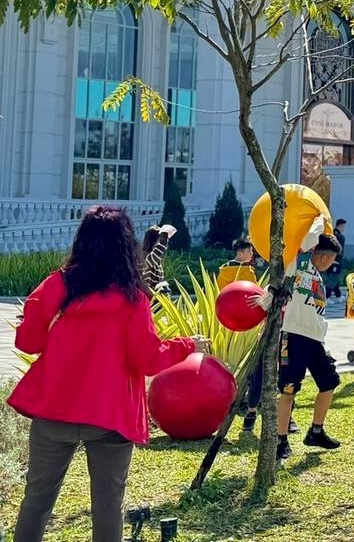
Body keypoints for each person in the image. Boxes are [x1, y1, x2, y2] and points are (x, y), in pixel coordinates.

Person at [8, 206, 206, 541]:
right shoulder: (132, 298)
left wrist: (35, 313)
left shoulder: (57, 285)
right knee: (108, 504)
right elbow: (147, 359)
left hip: (55, 408)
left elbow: (28, 342)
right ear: (126, 245)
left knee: (37, 502)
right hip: (110, 414)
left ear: (82, 240)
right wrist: (189, 345)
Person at [258, 221, 343, 460]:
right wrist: (319, 220)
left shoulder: (318, 277)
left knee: (329, 382)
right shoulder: (299, 263)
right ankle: (280, 440)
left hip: (315, 338)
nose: (328, 263)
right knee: (288, 389)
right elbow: (306, 240)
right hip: (292, 335)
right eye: (327, 257)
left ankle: (316, 431)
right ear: (321, 255)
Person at [219, 238, 265, 430]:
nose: (252, 255)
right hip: (248, 325)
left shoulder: (223, 270)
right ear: (242, 252)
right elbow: (257, 296)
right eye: (250, 251)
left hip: (227, 322)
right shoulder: (245, 272)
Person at [140, 223, 174, 292]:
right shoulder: (146, 258)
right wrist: (164, 234)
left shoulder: (152, 258)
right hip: (150, 296)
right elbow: (160, 248)